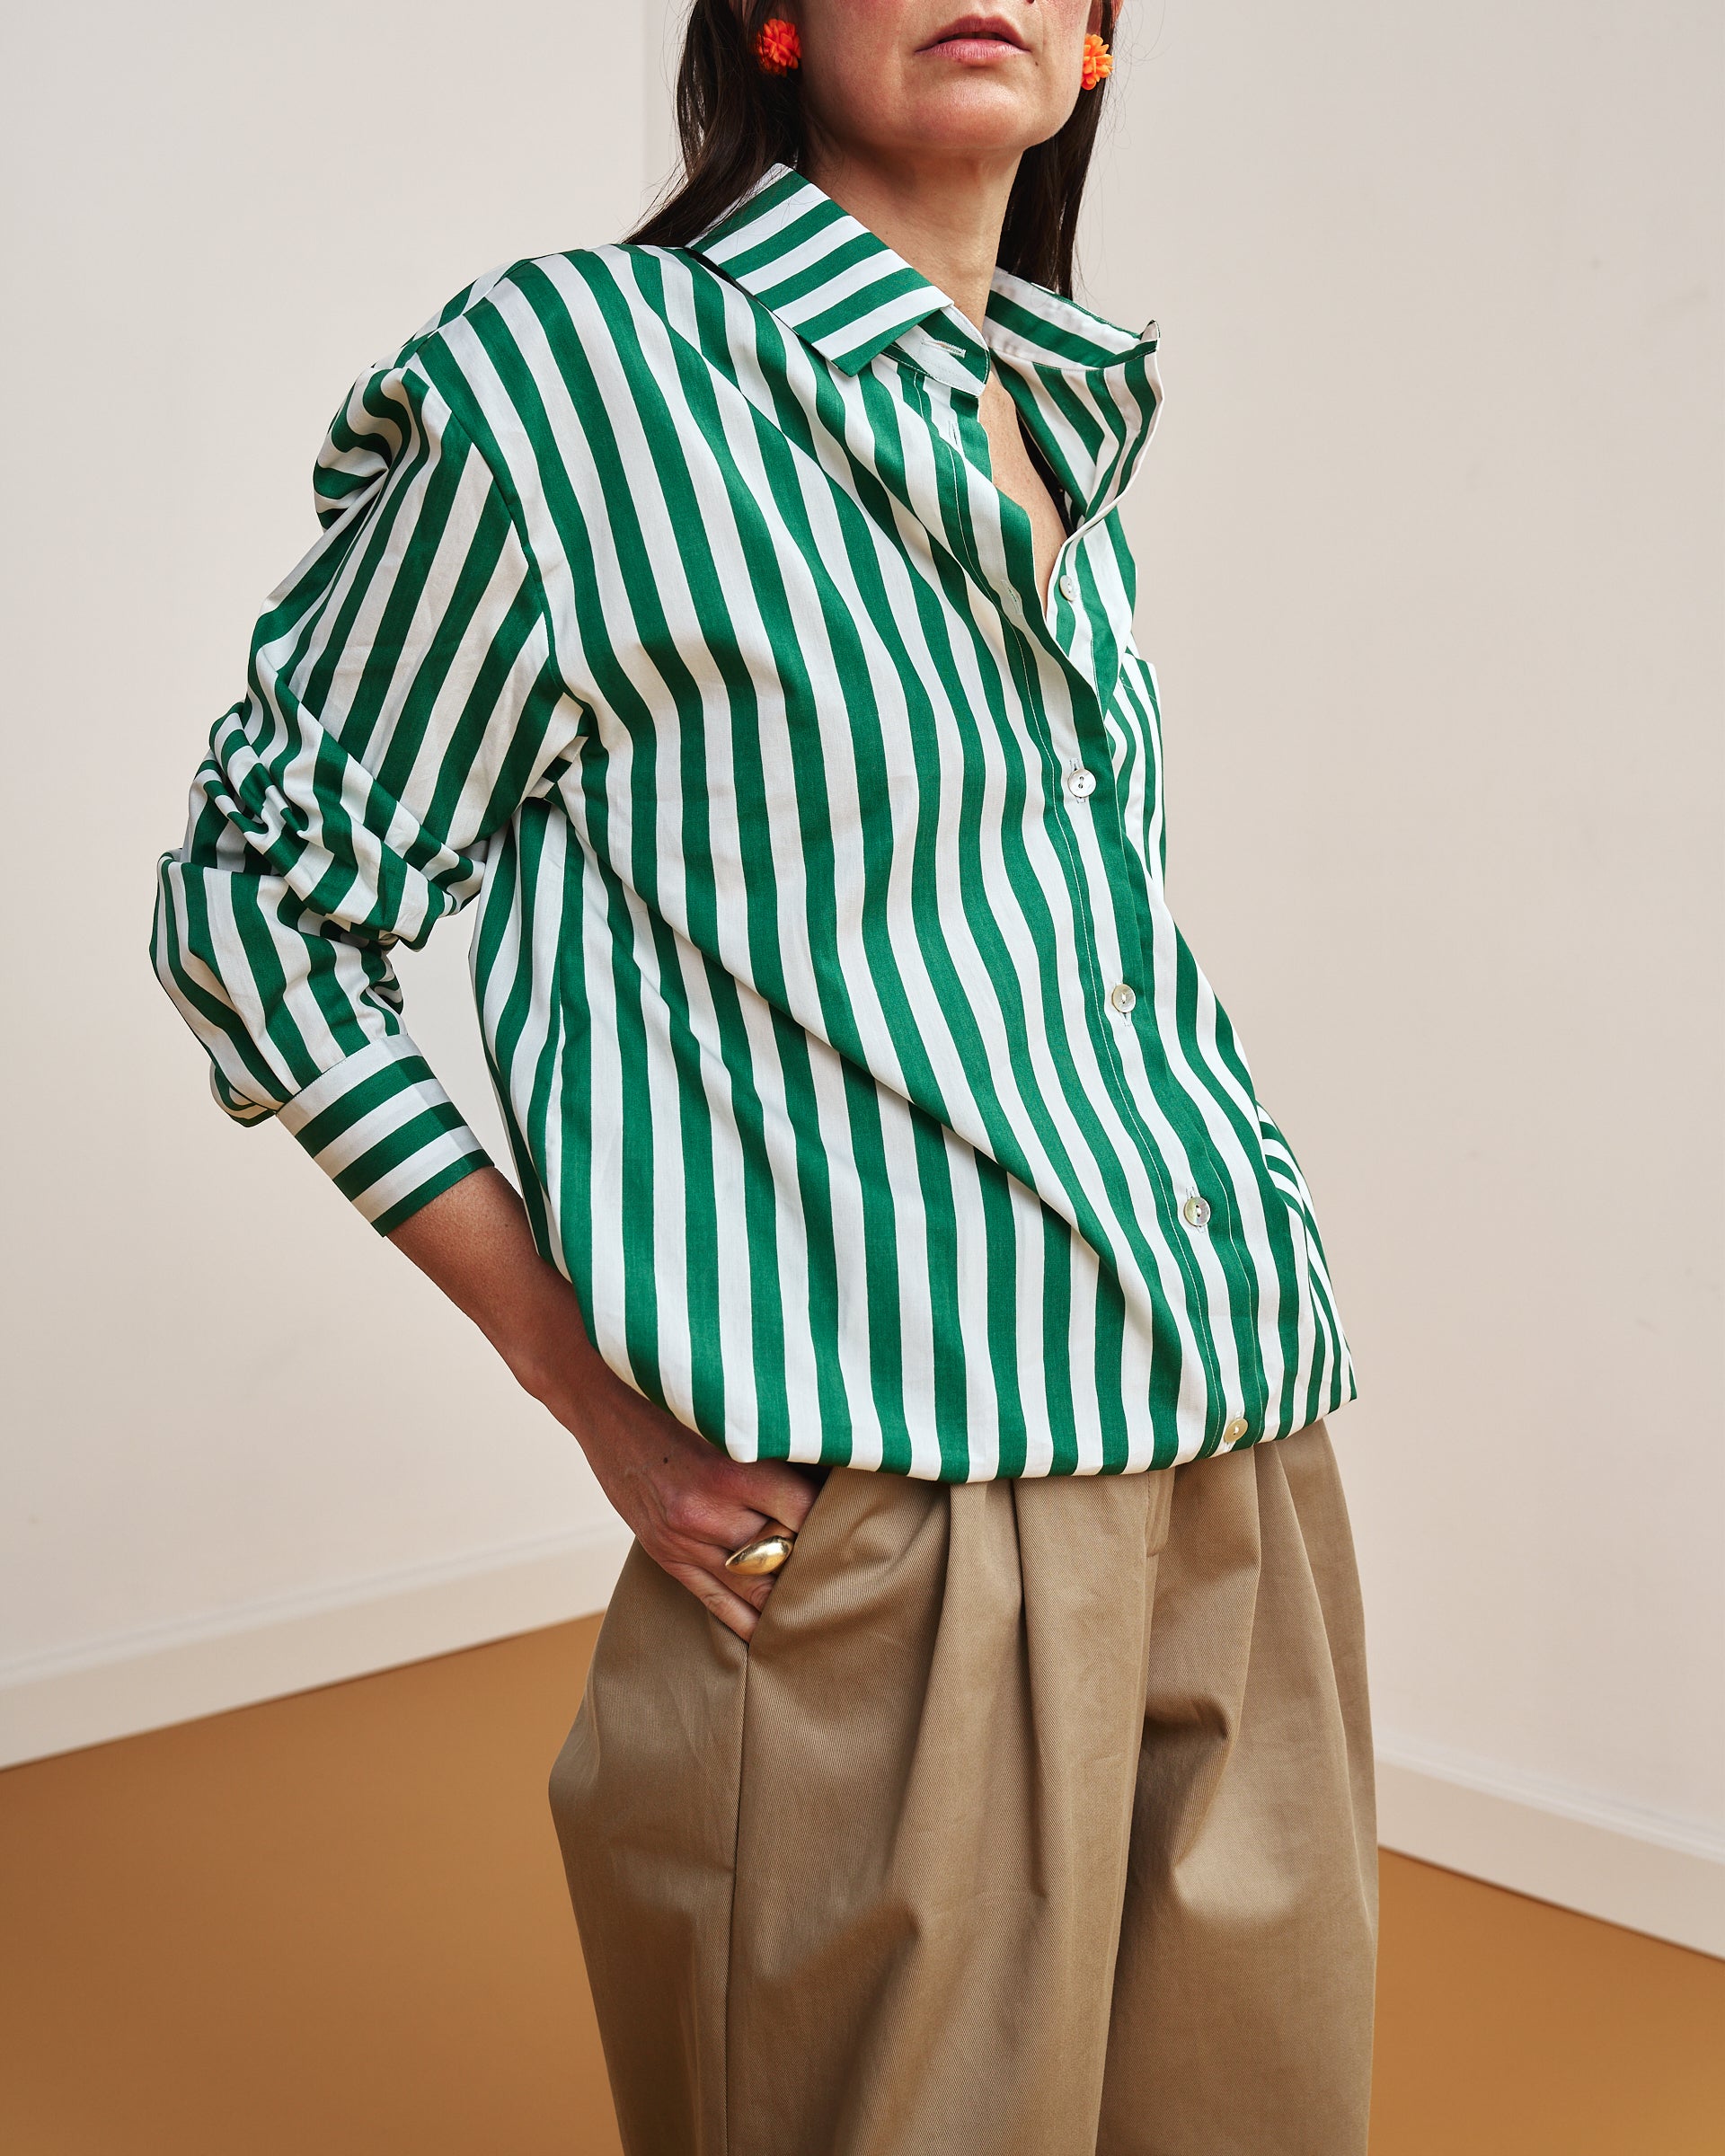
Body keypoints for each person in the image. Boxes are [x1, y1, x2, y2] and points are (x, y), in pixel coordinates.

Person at [152, 2, 1376, 2148]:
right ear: (774, 13)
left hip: (1237, 1457)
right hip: (897, 1506)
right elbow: (257, 911)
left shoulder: (1042, 422)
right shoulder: (580, 384)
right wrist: (584, 1384)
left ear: (1100, 41)